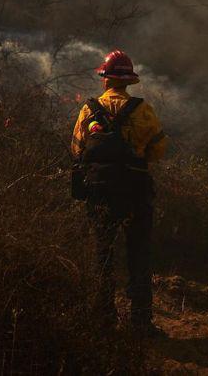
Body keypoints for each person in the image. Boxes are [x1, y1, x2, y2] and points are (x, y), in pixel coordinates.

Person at [70, 49, 168, 335]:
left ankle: (104, 319)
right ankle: (140, 322)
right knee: (139, 253)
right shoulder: (143, 109)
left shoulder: (88, 109)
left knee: (103, 253)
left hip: (100, 192)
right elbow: (159, 148)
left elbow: (77, 148)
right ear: (129, 81)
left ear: (105, 79)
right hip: (135, 190)